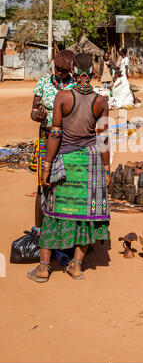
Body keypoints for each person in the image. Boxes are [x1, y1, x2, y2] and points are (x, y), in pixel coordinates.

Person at [27, 52, 110, 282]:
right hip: (90, 162)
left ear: (73, 73)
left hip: (64, 161)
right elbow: (103, 139)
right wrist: (107, 169)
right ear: (93, 74)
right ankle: (75, 265)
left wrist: (46, 166)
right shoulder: (101, 101)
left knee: (52, 213)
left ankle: (43, 269)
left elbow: (55, 134)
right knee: (86, 216)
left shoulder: (62, 98)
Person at [29, 50, 75, 233]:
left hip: (67, 141)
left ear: (70, 70)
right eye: (57, 68)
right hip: (45, 139)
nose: (59, 72)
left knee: (65, 184)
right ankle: (38, 229)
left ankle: (65, 230)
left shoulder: (74, 86)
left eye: (63, 70)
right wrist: (37, 116)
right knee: (43, 184)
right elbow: (33, 110)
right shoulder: (43, 83)